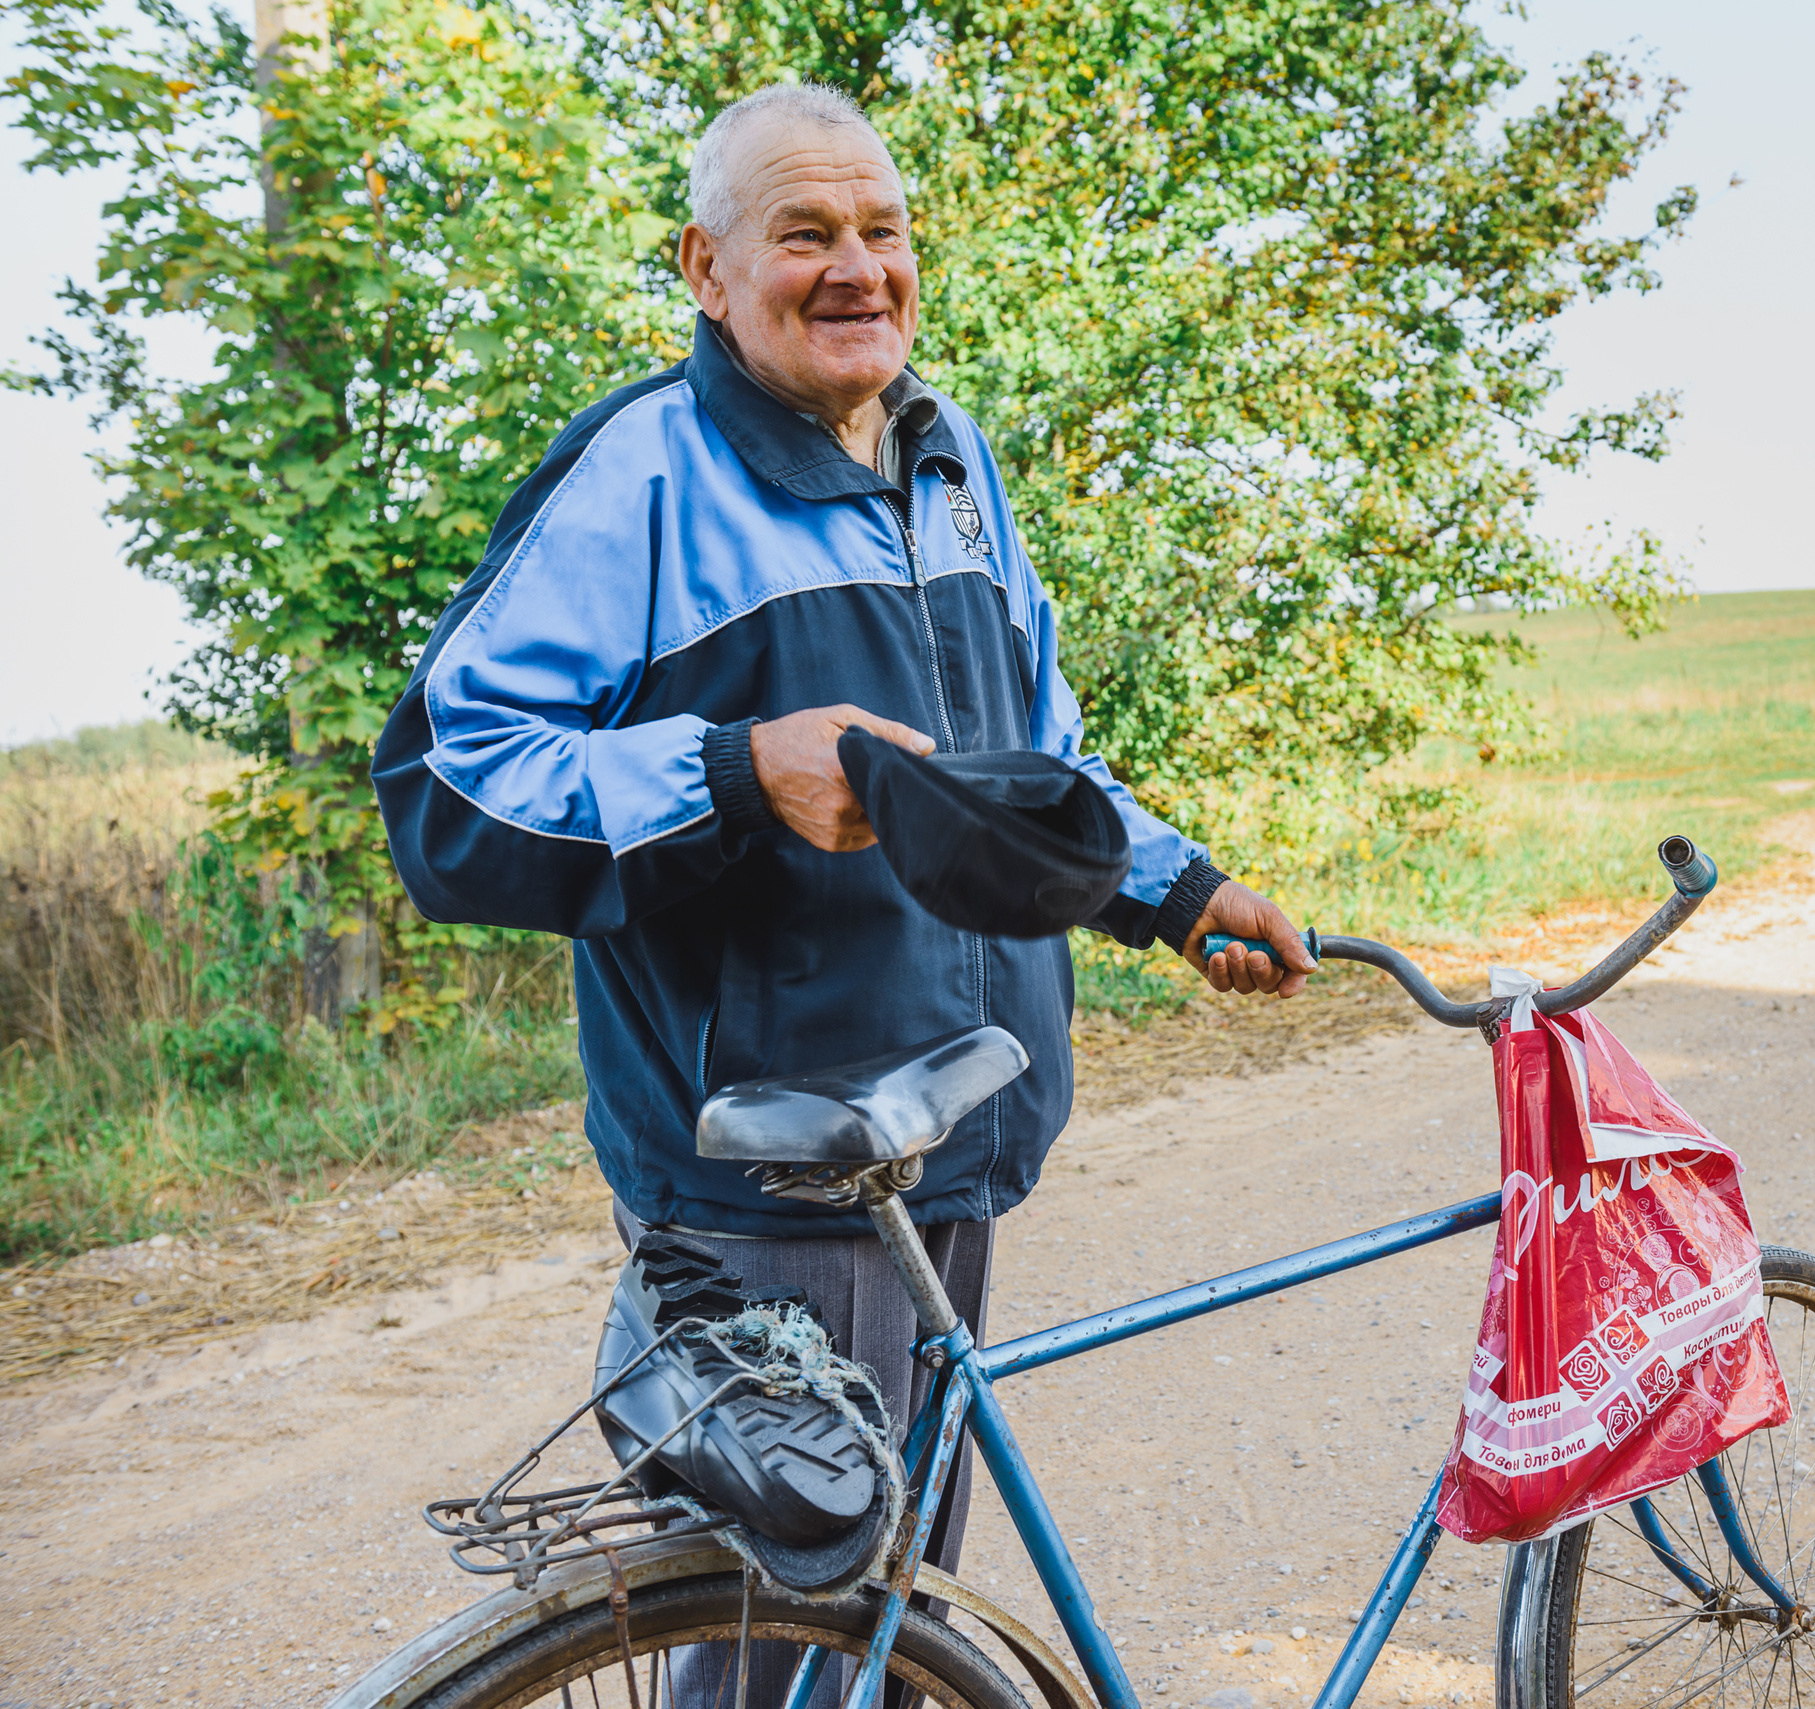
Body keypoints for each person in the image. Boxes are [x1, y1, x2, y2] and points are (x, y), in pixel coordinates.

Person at [371, 80, 1314, 1700]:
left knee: (883, 1631)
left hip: (951, 1146)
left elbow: (1028, 767)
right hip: (766, 1185)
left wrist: (1178, 889)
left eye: (883, 230)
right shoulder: (643, 472)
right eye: (804, 233)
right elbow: (446, 788)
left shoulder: (951, 462)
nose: (857, 267)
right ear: (705, 268)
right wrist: (738, 770)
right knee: (765, 1652)